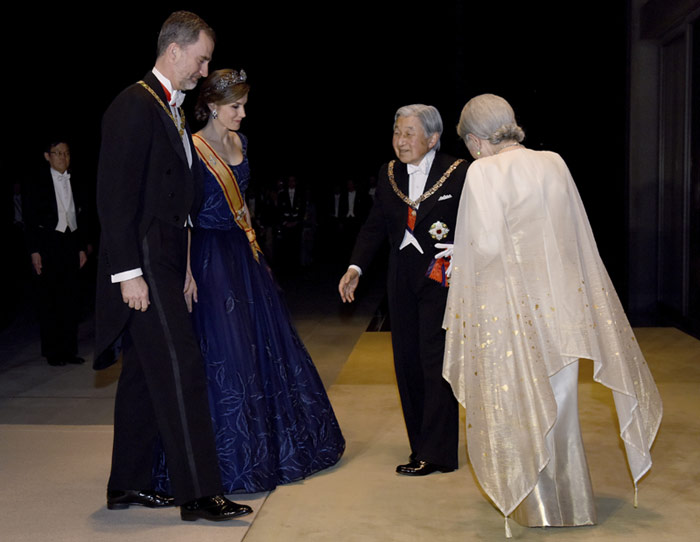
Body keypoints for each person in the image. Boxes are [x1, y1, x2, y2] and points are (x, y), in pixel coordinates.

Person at [442, 94, 662, 534]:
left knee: (519, 403)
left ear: (476, 139)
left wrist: (457, 254)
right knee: (561, 406)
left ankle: (538, 507)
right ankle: (575, 505)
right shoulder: (555, 162)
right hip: (563, 306)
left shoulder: (482, 172)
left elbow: (485, 247)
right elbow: (572, 231)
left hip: (513, 309)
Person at [151, 69, 344, 494]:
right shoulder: (193, 146)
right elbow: (183, 215)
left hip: (243, 254)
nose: (242, 113)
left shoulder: (241, 142)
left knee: (262, 345)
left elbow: (245, 209)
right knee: (225, 352)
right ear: (214, 106)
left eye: (243, 105)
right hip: (208, 257)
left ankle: (269, 449)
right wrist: (184, 271)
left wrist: (258, 251)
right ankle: (224, 458)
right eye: (235, 106)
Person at [94, 11, 251, 521]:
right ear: (175, 49)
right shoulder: (133, 105)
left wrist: (183, 265)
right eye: (202, 58)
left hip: (165, 260)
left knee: (143, 373)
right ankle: (201, 494)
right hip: (142, 264)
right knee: (184, 369)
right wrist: (128, 274)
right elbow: (114, 200)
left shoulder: (173, 109)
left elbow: (177, 198)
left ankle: (127, 484)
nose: (205, 71)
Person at [338, 104, 468, 476]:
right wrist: (355, 266)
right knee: (407, 362)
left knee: (434, 362)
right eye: (397, 132)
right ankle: (420, 447)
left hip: (441, 279)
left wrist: (467, 246)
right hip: (401, 282)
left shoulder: (458, 172)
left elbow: (481, 218)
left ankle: (438, 452)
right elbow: (376, 224)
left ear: (432, 137)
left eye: (409, 133)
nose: (401, 140)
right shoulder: (389, 173)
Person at [23, 139, 88, 366]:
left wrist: (81, 246)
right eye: (58, 153)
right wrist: (34, 251)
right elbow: (29, 219)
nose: (63, 158)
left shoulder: (75, 179)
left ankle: (69, 350)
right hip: (48, 243)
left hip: (69, 241)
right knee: (50, 299)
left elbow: (80, 215)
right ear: (47, 156)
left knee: (70, 298)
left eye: (67, 153)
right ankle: (53, 351)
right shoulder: (36, 183)